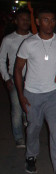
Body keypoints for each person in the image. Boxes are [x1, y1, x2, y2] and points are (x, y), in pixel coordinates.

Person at [13, 7, 56, 174]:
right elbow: (17, 70)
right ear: (38, 22)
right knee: (34, 127)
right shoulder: (29, 43)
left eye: (53, 20)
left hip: (55, 93)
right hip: (32, 94)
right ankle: (31, 156)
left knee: (55, 127)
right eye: (45, 19)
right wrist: (21, 96)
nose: (50, 23)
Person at [0, 8, 32, 148]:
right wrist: (6, 78)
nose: (25, 22)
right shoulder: (8, 39)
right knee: (16, 109)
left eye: (27, 19)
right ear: (16, 21)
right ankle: (19, 137)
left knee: (31, 108)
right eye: (22, 19)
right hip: (15, 78)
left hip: (32, 79)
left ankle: (30, 133)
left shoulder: (34, 38)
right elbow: (1, 59)